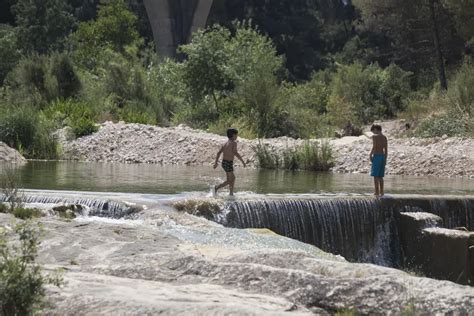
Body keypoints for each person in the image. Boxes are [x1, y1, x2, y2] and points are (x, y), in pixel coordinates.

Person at [213, 128, 246, 196]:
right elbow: (235, 153)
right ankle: (217, 188)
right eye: (236, 135)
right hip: (228, 163)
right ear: (233, 135)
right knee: (232, 179)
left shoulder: (225, 143)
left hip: (224, 163)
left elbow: (218, 153)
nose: (237, 136)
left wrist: (216, 163)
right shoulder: (234, 143)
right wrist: (242, 161)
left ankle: (230, 193)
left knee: (230, 179)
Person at [369, 124, 388, 197]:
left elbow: (374, 146)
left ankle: (376, 192)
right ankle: (382, 192)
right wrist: (385, 159)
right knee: (380, 176)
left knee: (375, 176)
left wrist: (370, 154)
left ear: (376, 129)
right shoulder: (384, 137)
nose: (373, 133)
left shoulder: (374, 137)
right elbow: (386, 149)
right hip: (383, 157)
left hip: (377, 156)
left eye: (373, 131)